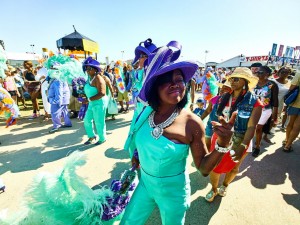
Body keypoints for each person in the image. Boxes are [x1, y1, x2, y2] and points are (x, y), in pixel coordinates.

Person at [121, 42, 237, 225]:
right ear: (154, 87)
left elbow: (204, 169)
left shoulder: (192, 123)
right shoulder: (145, 113)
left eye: (179, 79)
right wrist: (138, 156)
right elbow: (140, 140)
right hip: (144, 185)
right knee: (128, 222)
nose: (175, 84)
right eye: (167, 80)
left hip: (173, 193)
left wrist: (222, 144)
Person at [205, 67, 262, 202]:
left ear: (245, 81)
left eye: (237, 79)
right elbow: (214, 117)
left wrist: (243, 145)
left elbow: (252, 126)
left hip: (241, 139)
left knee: (234, 168)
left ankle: (224, 186)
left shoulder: (255, 102)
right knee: (215, 166)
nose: (232, 81)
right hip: (220, 137)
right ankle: (213, 189)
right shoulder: (223, 98)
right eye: (232, 78)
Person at [252, 66, 278, 157]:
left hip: (265, 110)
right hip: (252, 109)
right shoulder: (253, 83)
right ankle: (247, 144)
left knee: (259, 128)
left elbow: (275, 100)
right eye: (257, 72)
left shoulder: (272, 84)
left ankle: (257, 147)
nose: (258, 74)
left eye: (261, 72)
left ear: (267, 74)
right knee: (251, 127)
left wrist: (275, 115)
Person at [83, 57, 108, 145]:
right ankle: (91, 136)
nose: (87, 70)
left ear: (95, 69)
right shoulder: (89, 78)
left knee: (99, 121)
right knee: (87, 120)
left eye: (89, 68)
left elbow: (102, 93)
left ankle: (102, 138)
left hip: (99, 103)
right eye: (86, 68)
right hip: (91, 103)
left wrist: (89, 99)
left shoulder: (98, 78)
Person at [201, 80, 232, 150]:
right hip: (210, 125)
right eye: (222, 88)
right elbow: (207, 111)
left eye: (226, 88)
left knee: (218, 145)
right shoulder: (214, 99)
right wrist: (199, 120)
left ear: (231, 91)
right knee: (207, 142)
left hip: (222, 127)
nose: (222, 90)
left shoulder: (231, 102)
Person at [283, 71, 300, 152]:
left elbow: (292, 87)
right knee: (297, 126)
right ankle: (288, 145)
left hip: (295, 102)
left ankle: (287, 140)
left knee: (290, 123)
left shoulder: (299, 73)